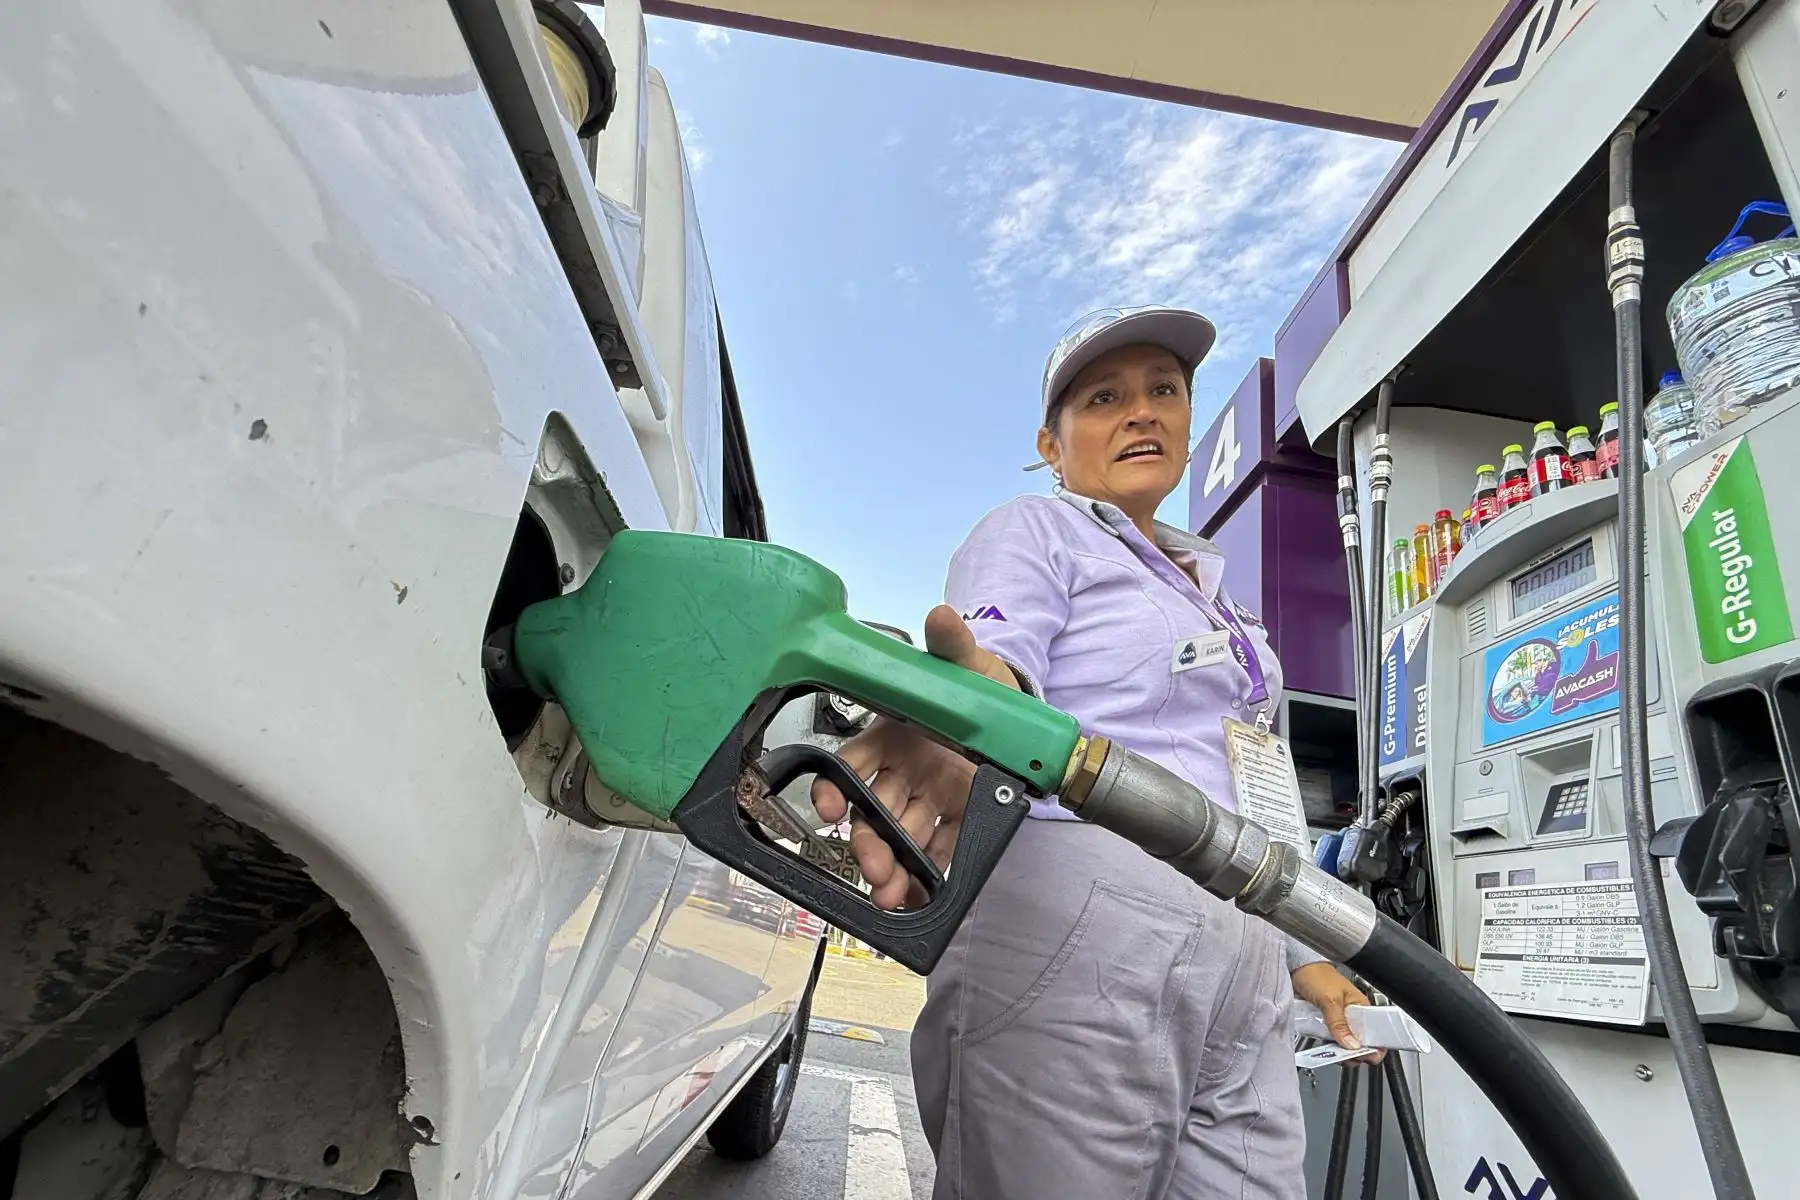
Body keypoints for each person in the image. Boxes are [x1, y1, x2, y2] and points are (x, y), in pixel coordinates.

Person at [813, 307, 1378, 1199]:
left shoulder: (1221, 597)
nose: (1141, 412)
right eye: (1105, 398)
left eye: (1164, 391)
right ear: (1052, 442)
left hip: (1244, 957)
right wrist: (957, 726)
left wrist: (1305, 953)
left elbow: (1256, 780)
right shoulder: (1037, 532)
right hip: (1088, 939)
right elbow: (992, 663)